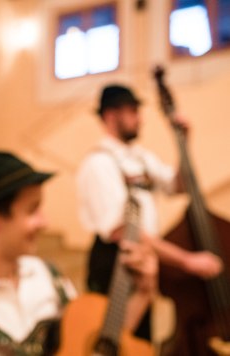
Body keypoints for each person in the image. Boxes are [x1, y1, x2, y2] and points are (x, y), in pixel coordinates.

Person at [0, 151, 156, 356]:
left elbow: (96, 345)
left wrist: (143, 293)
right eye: (32, 210)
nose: (45, 222)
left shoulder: (43, 273)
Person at [76, 84, 223, 341]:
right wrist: (186, 261)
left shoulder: (141, 158)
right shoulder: (98, 164)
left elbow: (179, 185)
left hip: (144, 260)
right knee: (113, 341)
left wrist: (183, 143)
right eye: (132, 111)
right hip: (115, 263)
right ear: (110, 116)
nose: (139, 118)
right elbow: (124, 232)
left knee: (139, 343)